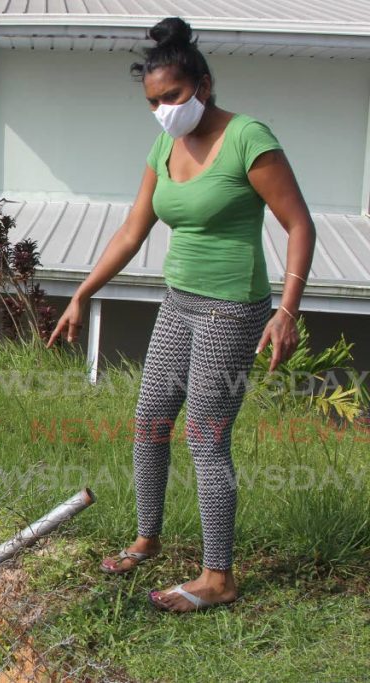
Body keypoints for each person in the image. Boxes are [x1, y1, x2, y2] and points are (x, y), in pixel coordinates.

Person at [46, 16, 316, 613]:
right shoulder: (164, 144)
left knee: (205, 434)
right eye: (153, 102)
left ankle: (218, 576)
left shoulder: (249, 137)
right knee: (149, 420)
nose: (164, 109)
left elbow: (299, 222)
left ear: (203, 83)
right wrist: (82, 292)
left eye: (172, 96)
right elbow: (131, 230)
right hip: (179, 302)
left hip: (233, 308)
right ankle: (148, 537)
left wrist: (288, 309)